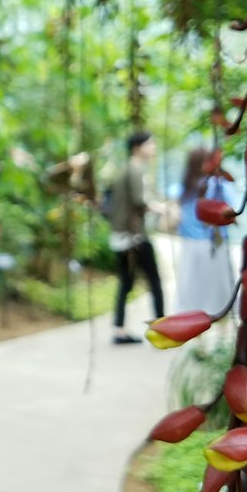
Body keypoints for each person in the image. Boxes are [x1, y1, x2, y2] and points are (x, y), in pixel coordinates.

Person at [107, 130, 165, 344]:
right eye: (150, 144)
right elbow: (140, 201)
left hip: (122, 235)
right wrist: (162, 209)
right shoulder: (135, 169)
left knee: (126, 283)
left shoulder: (128, 168)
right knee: (155, 282)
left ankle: (119, 329)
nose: (153, 148)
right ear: (137, 147)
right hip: (135, 236)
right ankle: (163, 328)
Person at [175, 146, 235, 316]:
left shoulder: (185, 189)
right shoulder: (218, 185)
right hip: (213, 243)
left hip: (190, 244)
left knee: (192, 289)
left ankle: (197, 324)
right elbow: (232, 209)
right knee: (218, 291)